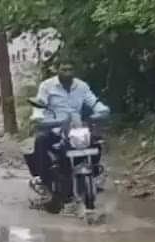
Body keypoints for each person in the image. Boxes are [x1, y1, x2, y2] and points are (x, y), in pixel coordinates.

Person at [27, 62, 110, 193]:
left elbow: (93, 101)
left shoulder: (82, 86)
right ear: (57, 70)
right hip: (54, 127)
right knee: (41, 140)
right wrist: (37, 117)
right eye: (64, 69)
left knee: (96, 141)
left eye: (70, 69)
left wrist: (102, 111)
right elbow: (39, 105)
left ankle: (93, 174)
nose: (68, 72)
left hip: (76, 127)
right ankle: (42, 180)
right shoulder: (47, 86)